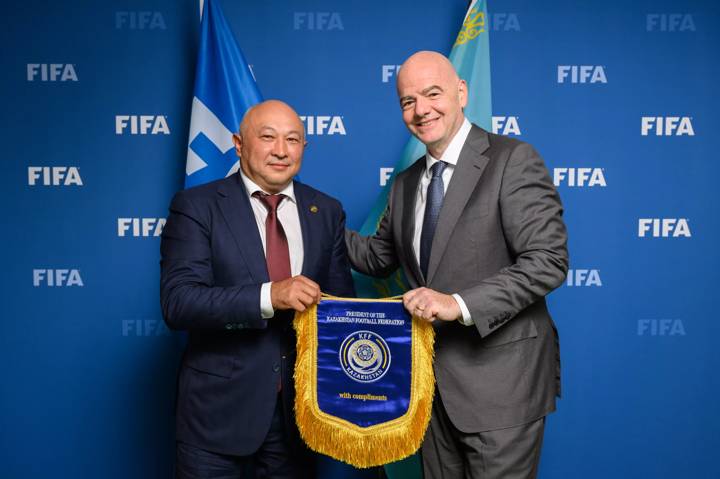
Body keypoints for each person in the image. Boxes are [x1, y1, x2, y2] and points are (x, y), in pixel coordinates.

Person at [346, 51, 569, 478]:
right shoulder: (407, 183)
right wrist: (305, 220)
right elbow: (378, 257)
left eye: (433, 94)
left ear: (461, 92)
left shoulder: (512, 160)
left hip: (501, 387)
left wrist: (457, 303)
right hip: (429, 389)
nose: (421, 109)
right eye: (408, 101)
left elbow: (548, 261)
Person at [161, 100, 355, 478]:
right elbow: (179, 302)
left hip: (299, 420)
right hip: (216, 418)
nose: (281, 150)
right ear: (238, 143)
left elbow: (340, 309)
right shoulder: (197, 207)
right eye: (267, 137)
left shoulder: (325, 210)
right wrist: (270, 295)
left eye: (293, 139)